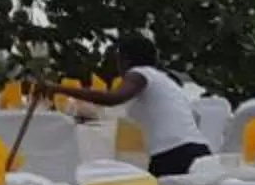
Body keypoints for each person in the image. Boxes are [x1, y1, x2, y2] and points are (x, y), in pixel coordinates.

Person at [46, 32, 207, 175]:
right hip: (197, 150)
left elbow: (112, 99)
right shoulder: (165, 81)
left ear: (124, 59)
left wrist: (58, 88)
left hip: (172, 155)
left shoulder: (139, 74)